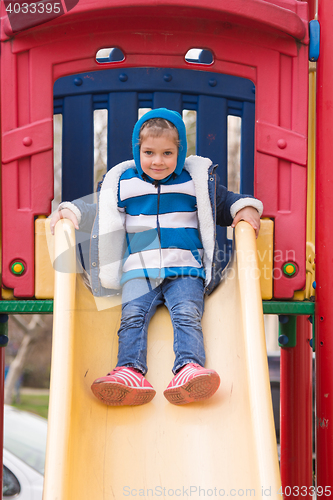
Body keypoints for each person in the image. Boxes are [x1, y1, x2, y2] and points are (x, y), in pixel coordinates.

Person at [50, 108, 263, 407]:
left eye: (167, 153)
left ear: (181, 152)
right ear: (138, 151)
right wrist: (70, 212)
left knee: (187, 315)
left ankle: (188, 368)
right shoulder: (124, 184)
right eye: (149, 152)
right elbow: (99, 211)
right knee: (132, 317)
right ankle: (130, 371)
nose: (158, 161)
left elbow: (225, 202)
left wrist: (245, 208)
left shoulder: (195, 183)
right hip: (139, 270)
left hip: (185, 269)